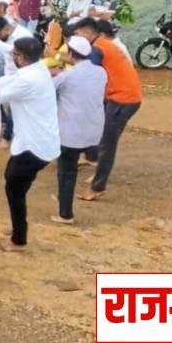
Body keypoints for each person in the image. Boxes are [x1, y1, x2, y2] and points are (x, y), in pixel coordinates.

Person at [0, 37, 60, 251]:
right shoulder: (37, 69)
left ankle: (18, 239)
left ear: (21, 58)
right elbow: (6, 82)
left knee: (14, 188)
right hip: (38, 142)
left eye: (14, 53)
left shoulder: (28, 80)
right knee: (13, 181)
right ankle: (17, 227)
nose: (12, 56)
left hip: (34, 145)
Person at [72, 18, 143, 201]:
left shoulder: (98, 48)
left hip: (123, 99)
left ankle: (98, 186)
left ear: (88, 33)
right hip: (122, 97)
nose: (76, 37)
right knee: (104, 138)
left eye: (78, 34)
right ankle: (97, 174)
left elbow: (88, 70)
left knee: (107, 142)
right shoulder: (102, 45)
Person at [52, 36, 107, 224]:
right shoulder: (101, 72)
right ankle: (91, 159)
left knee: (67, 170)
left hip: (70, 132)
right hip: (94, 130)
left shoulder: (66, 76)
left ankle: (65, 213)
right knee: (74, 162)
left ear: (71, 54)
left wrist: (55, 73)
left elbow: (51, 91)